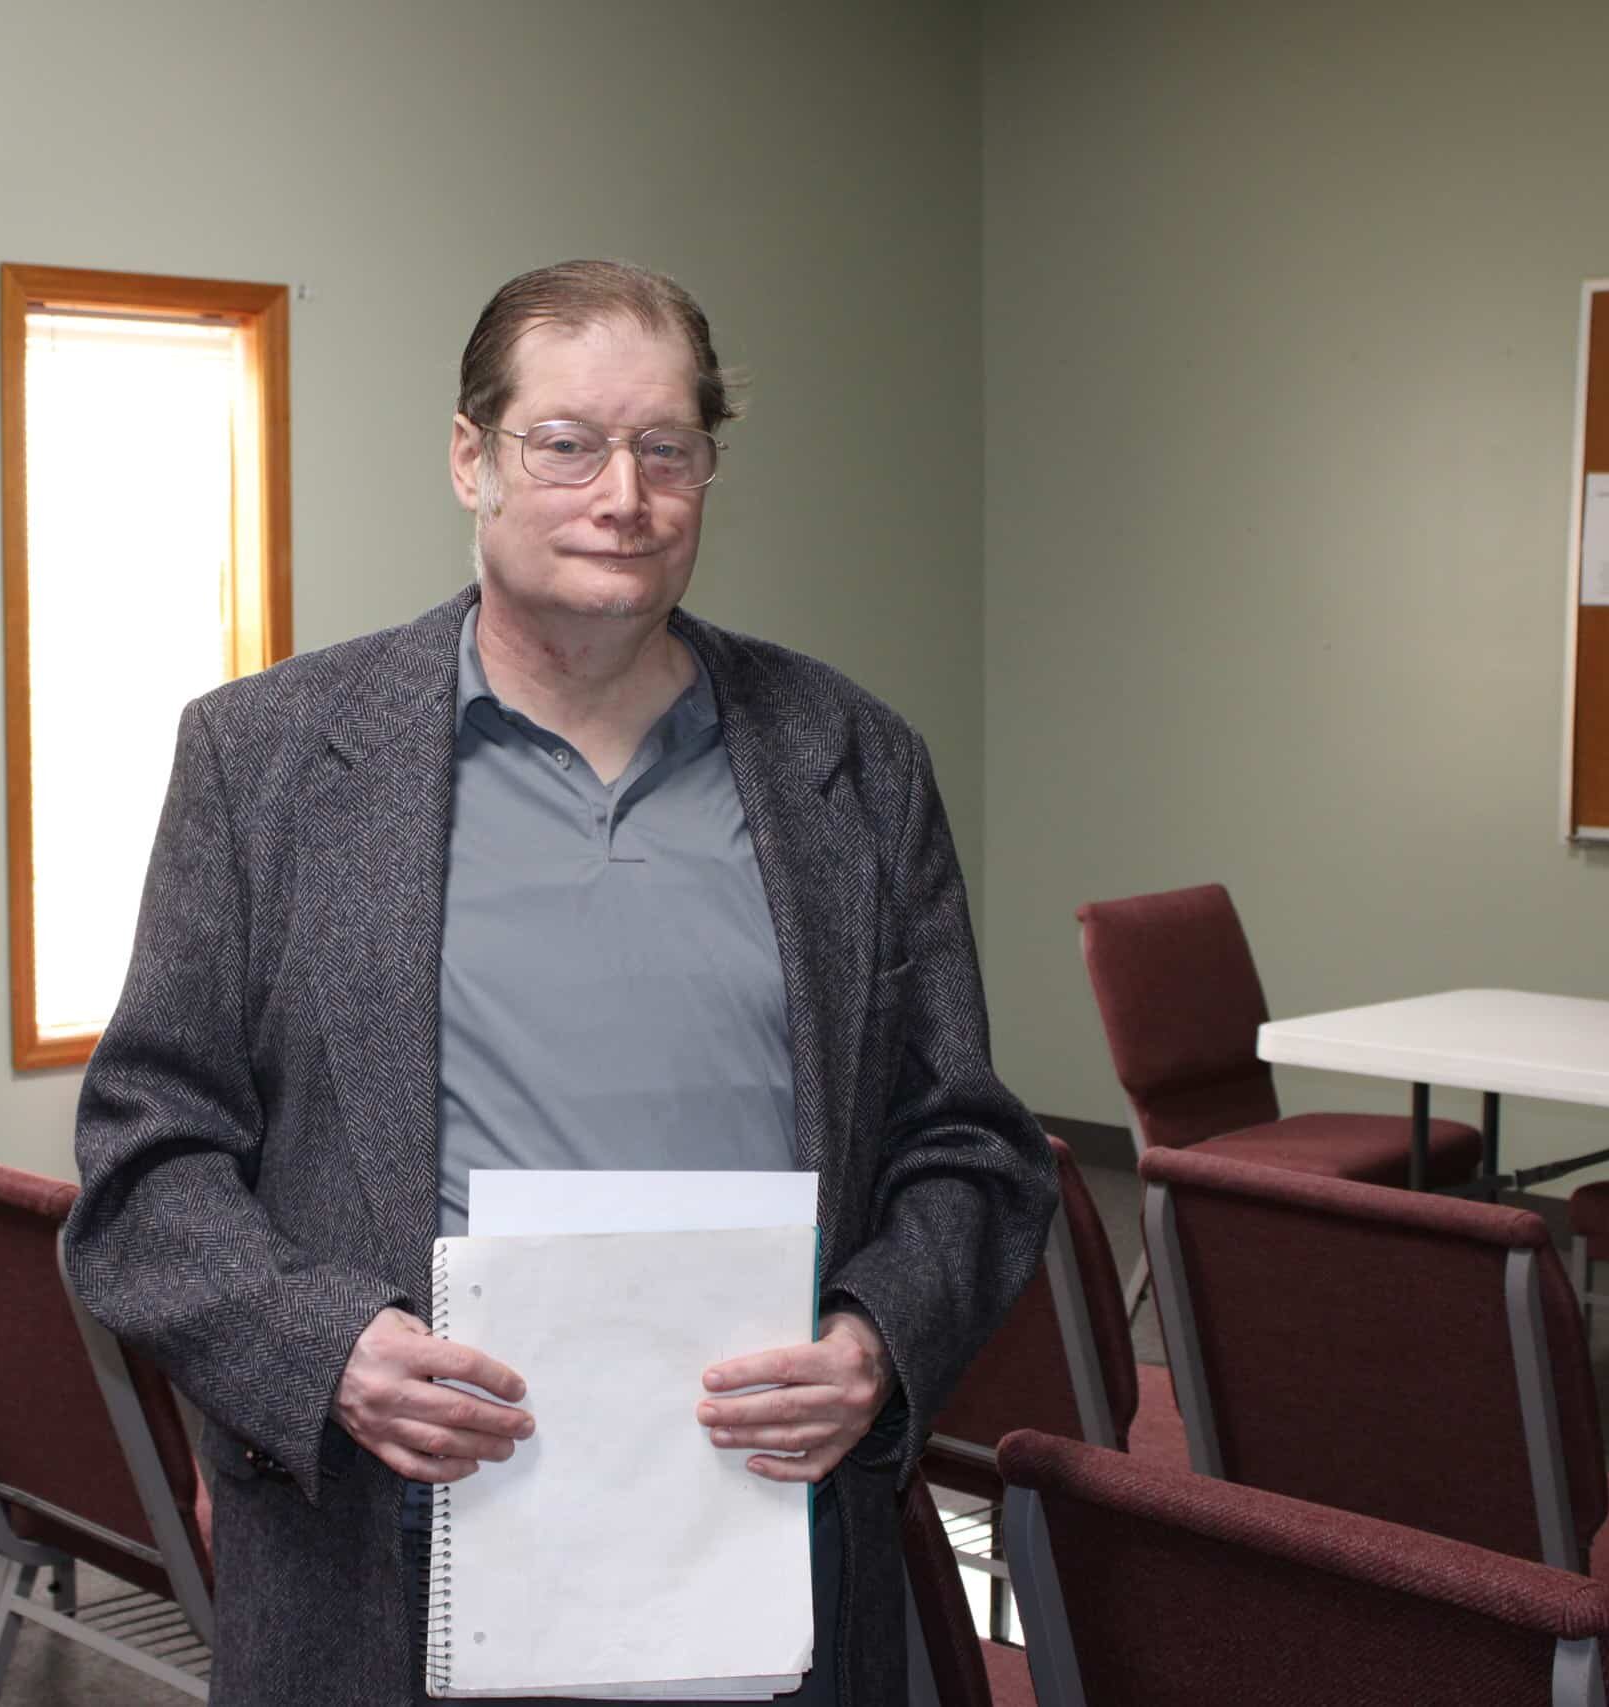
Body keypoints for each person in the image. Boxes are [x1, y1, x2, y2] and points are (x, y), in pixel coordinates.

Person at [65, 259, 1055, 1706]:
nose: (624, 495)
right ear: (472, 456)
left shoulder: (855, 764)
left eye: (670, 448)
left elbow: (969, 1142)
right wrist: (322, 1347)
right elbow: (145, 1162)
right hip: (395, 1533)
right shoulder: (265, 761)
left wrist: (875, 1343)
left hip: (758, 1529)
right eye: (568, 444)